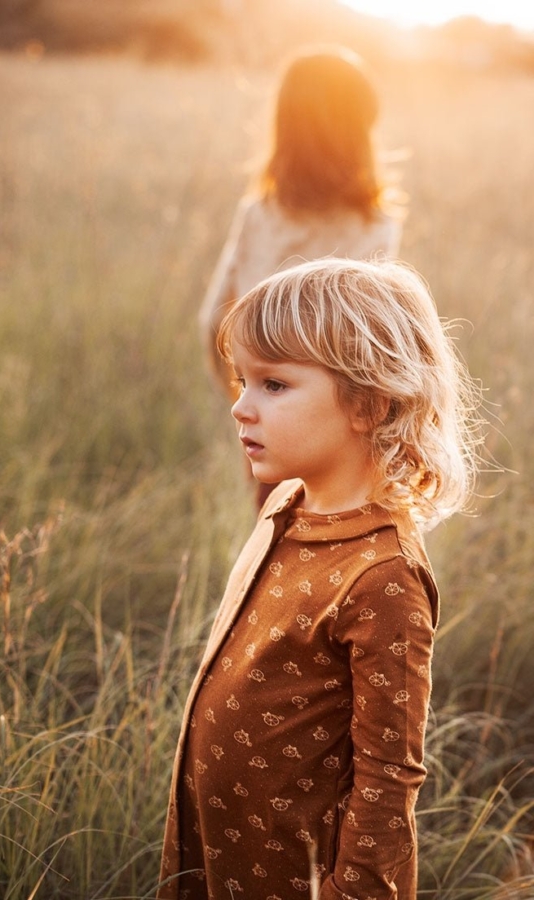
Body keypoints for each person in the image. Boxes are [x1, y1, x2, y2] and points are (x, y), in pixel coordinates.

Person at [158, 257, 484, 900]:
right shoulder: (285, 506)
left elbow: (389, 780)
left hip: (292, 874)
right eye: (241, 382)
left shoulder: (383, 579)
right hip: (216, 849)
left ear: (368, 402)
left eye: (273, 385)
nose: (240, 408)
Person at [199, 46, 404, 400]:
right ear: (359, 133)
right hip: (337, 431)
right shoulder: (375, 228)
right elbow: (372, 354)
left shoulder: (258, 215)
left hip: (259, 413)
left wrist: (250, 394)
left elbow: (213, 321)